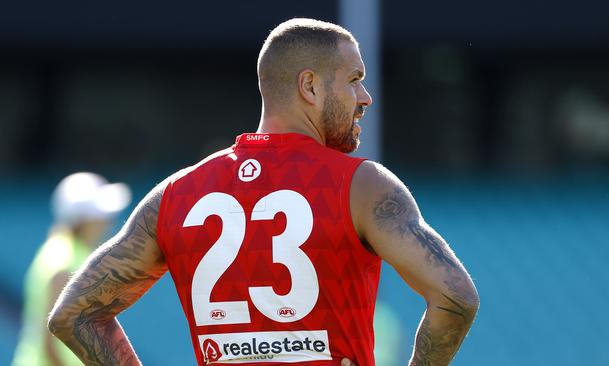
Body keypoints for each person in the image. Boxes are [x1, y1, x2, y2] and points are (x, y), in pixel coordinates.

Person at [48, 18, 479, 365]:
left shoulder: (174, 196)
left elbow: (74, 315)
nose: (364, 97)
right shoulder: (362, 186)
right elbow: (455, 296)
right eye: (353, 79)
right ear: (309, 86)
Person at [12, 172, 131, 366]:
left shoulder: (68, 253)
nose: (107, 221)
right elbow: (49, 342)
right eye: (99, 215)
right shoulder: (64, 262)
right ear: (82, 220)